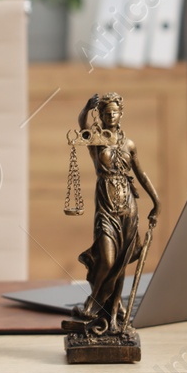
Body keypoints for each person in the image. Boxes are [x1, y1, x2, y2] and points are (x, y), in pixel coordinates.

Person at [70, 93, 159, 335]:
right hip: (106, 208)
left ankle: (114, 318)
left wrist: (156, 201)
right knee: (108, 260)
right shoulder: (97, 141)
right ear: (101, 114)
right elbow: (82, 125)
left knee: (120, 264)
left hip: (128, 208)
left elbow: (141, 175)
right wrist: (86, 108)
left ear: (121, 114)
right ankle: (93, 302)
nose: (110, 116)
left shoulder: (129, 145)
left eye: (114, 112)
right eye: (106, 112)